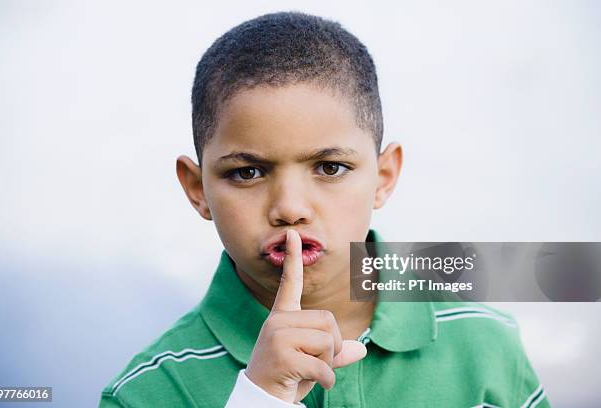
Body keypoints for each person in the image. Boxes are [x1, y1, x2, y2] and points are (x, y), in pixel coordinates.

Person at [99, 11, 550, 407]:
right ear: (197, 189)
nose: (290, 209)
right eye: (247, 173)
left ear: (384, 176)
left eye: (330, 167)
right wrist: (260, 399)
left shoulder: (485, 345)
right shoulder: (148, 391)